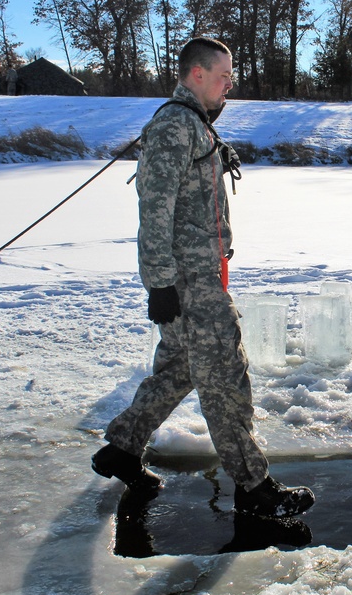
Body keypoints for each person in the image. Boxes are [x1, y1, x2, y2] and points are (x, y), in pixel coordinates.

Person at [92, 37, 316, 519]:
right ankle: (253, 486)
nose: (228, 85)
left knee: (179, 370)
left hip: (196, 275)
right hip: (188, 281)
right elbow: (154, 209)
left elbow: (186, 182)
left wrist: (216, 153)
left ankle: (123, 448)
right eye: (222, 76)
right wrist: (160, 284)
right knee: (225, 376)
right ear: (196, 74)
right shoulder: (176, 124)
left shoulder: (193, 126)